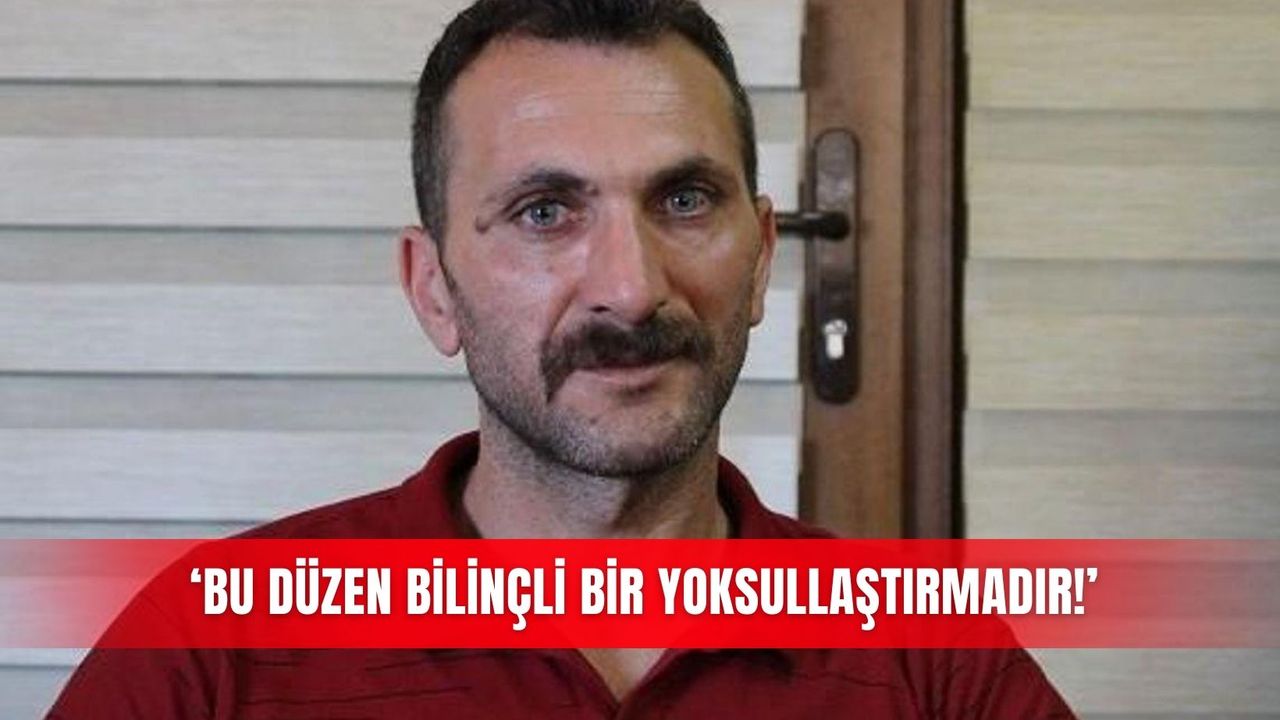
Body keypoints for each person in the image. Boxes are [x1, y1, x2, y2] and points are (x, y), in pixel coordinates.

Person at [49, 0, 1075, 717]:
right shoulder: (209, 647)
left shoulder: (932, 657)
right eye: (544, 212)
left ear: (762, 257)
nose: (630, 287)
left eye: (684, 200)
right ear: (432, 288)